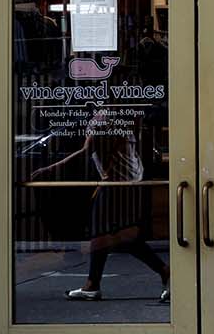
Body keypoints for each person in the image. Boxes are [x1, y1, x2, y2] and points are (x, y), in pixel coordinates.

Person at [33, 105, 171, 304]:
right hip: (125, 180)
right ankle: (95, 284)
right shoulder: (118, 116)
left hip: (117, 183)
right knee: (116, 235)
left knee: (105, 233)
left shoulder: (106, 118)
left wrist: (50, 168)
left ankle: (94, 285)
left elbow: (87, 150)